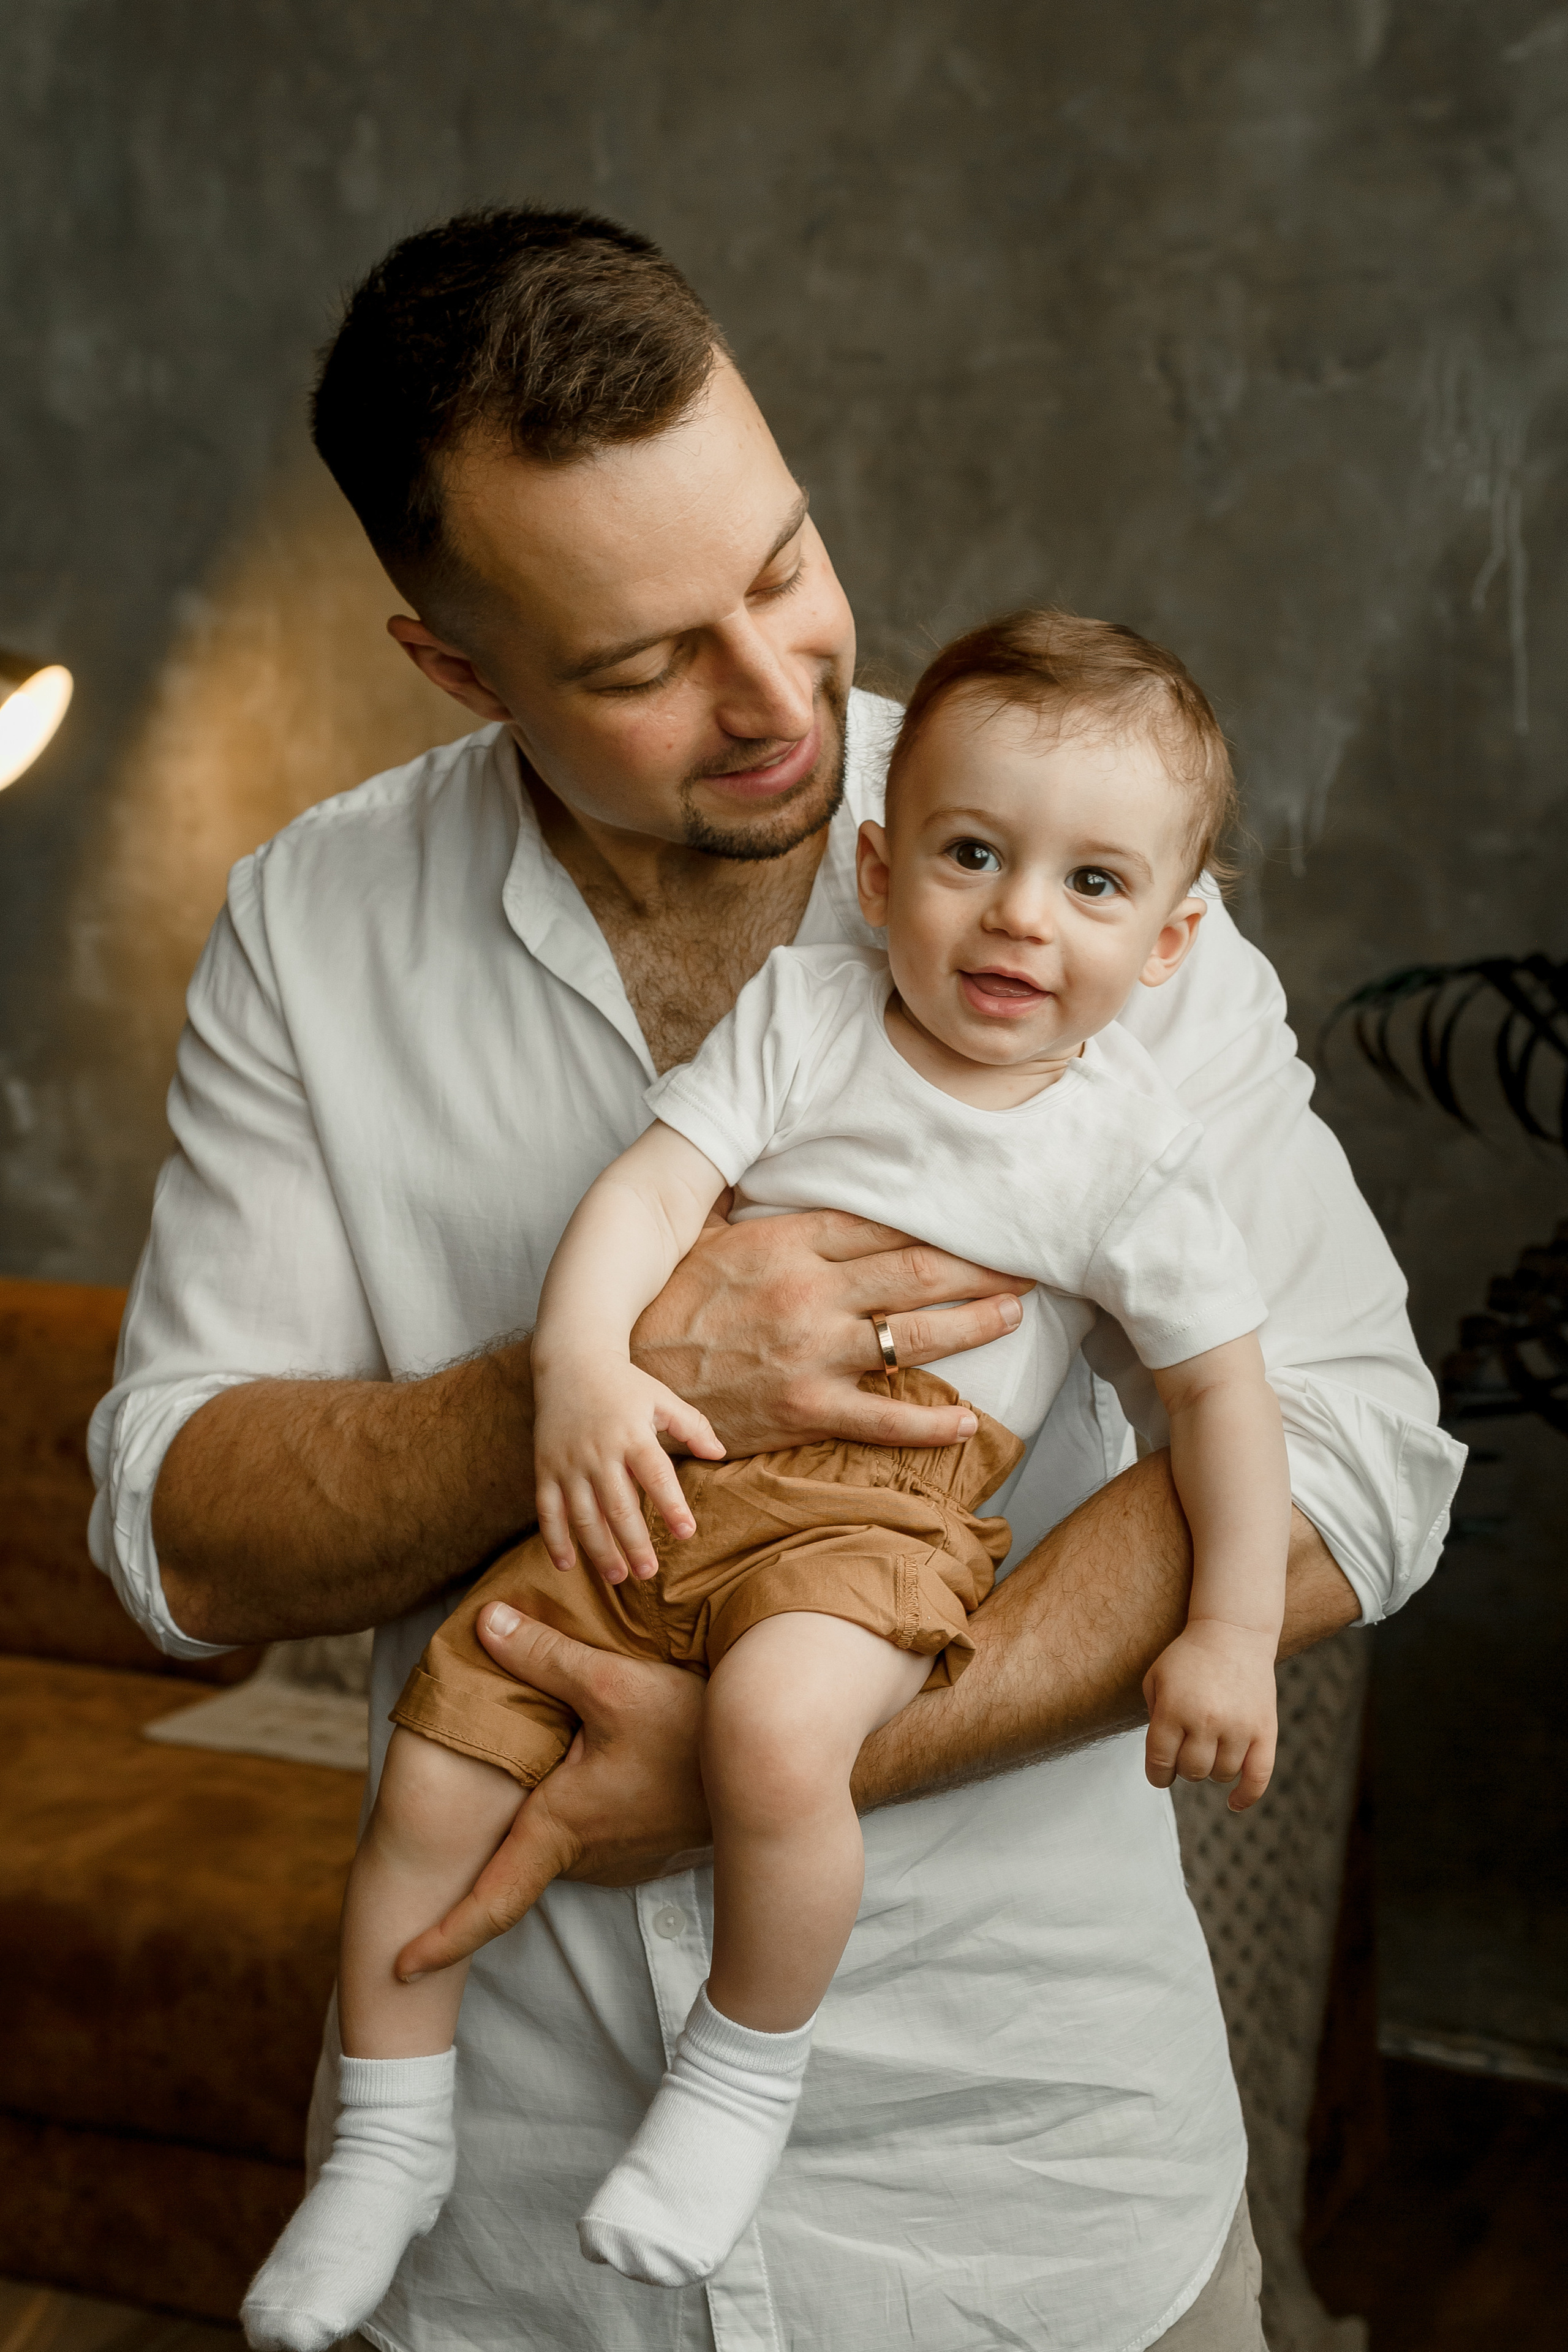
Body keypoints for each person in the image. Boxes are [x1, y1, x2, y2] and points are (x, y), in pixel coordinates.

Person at [89, 207, 1464, 2352]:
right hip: (517, 2242)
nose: (775, 698)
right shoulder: (315, 926)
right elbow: (183, 1534)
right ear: (455, 665)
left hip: (1025, 2194)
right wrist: (604, 1362)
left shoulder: (1075, 861)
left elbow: (1364, 1450)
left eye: (786, 567)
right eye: (641, 663)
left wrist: (785, 1758)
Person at [241, 609, 1291, 2340]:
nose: (1022, 914)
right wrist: (584, 1370)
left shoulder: (1127, 1160)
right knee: (433, 1774)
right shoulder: (809, 1019)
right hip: (662, 1470)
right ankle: (390, 2141)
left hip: (881, 1524)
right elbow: (652, 1195)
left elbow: (1232, 1404)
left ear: (1172, 941)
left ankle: (737, 2084)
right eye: (973, 854)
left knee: (779, 1732)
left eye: (1094, 886)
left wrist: (1230, 1632)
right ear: (878, 874)